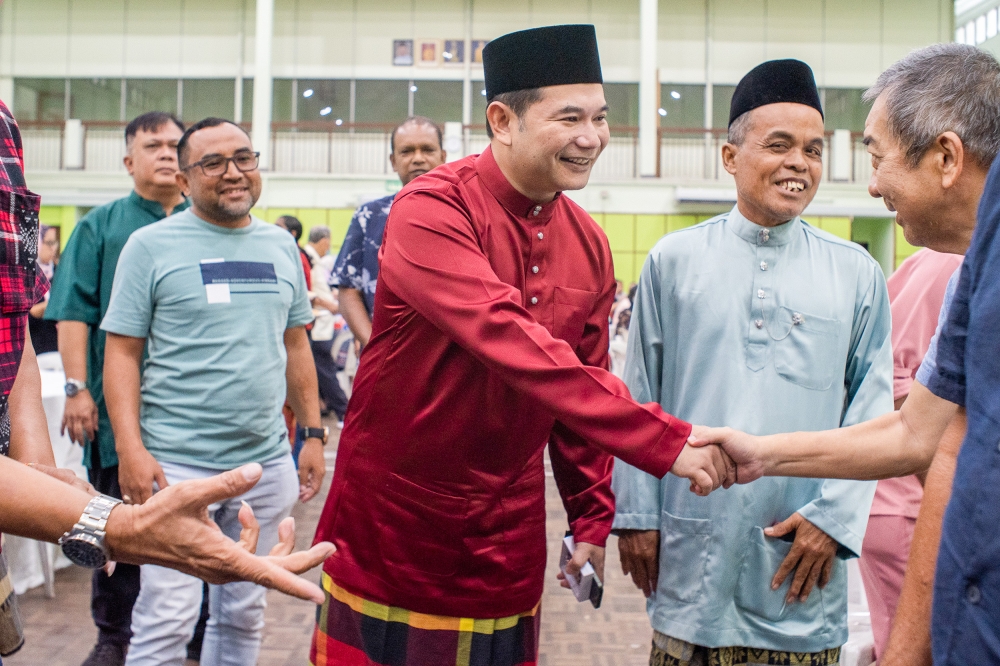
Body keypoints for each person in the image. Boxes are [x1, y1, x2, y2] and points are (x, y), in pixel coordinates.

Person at [309, 24, 731, 666]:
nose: (592, 137)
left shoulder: (588, 242)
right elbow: (507, 338)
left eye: (601, 117)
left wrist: (591, 517)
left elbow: (578, 386)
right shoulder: (430, 209)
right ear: (502, 120)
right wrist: (663, 440)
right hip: (392, 525)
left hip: (505, 533)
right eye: (570, 117)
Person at [689, 43, 1000, 665]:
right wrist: (762, 454)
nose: (872, 183)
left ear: (945, 157)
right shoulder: (971, 269)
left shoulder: (859, 272)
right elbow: (918, 435)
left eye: (878, 158)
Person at [612, 59, 892, 666]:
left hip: (800, 557)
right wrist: (635, 515)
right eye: (779, 145)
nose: (799, 163)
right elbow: (638, 397)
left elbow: (872, 409)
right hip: (693, 545)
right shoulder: (674, 261)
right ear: (730, 157)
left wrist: (835, 523)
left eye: (813, 149)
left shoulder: (856, 273)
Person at [100, 117, 326, 666]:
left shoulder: (279, 245)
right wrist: (131, 450)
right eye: (213, 163)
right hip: (177, 466)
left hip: (265, 464)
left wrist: (313, 434)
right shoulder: (149, 246)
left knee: (244, 612)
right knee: (166, 615)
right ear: (183, 180)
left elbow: (296, 346)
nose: (233, 173)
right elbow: (122, 353)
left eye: (244, 158)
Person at [44, 110, 188, 666]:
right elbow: (73, 315)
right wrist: (78, 389)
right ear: (129, 160)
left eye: (176, 144)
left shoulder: (210, 224)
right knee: (117, 528)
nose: (168, 153)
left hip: (189, 413)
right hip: (117, 412)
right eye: (153, 145)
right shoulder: (101, 226)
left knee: (192, 522)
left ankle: (194, 633)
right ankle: (114, 635)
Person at [860, 248, 961, 662]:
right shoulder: (950, 261)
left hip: (907, 498)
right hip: (907, 504)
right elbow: (897, 375)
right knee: (913, 650)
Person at [332, 115, 447, 349]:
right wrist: (372, 345)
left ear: (443, 157)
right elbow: (347, 289)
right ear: (393, 161)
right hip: (386, 359)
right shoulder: (369, 217)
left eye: (427, 149)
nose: (417, 158)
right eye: (406, 152)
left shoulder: (468, 214)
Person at [302, 226, 348, 424]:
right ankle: (343, 411)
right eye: (328, 244)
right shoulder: (306, 259)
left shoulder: (315, 261)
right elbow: (307, 291)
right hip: (316, 323)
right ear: (324, 241)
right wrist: (329, 303)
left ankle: (327, 406)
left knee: (321, 368)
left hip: (321, 322)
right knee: (325, 370)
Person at [28, 225, 59, 354]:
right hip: (35, 352)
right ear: (37, 245)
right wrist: (42, 309)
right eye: (49, 243)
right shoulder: (26, 275)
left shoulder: (59, 272)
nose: (54, 248)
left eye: (55, 242)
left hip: (57, 351)